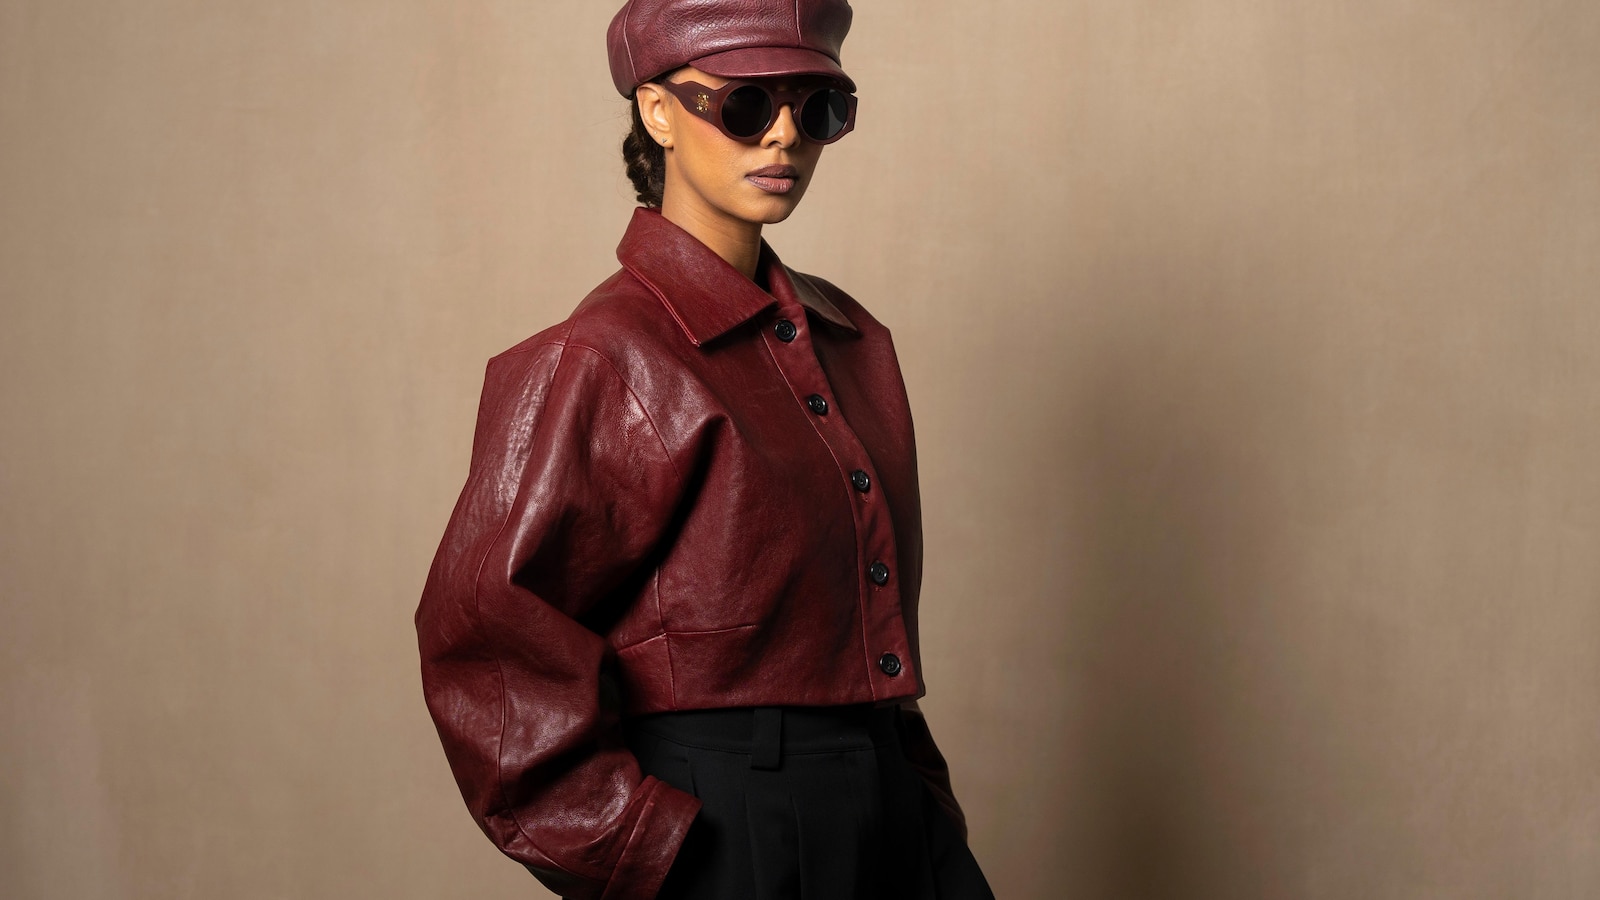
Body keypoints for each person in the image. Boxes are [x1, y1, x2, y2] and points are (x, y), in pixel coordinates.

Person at [414, 2, 996, 897]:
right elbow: (487, 635)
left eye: (817, 108)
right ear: (658, 112)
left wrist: (916, 792)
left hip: (886, 797)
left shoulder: (849, 340)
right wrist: (635, 845)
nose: (785, 136)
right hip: (731, 817)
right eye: (745, 105)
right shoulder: (603, 355)